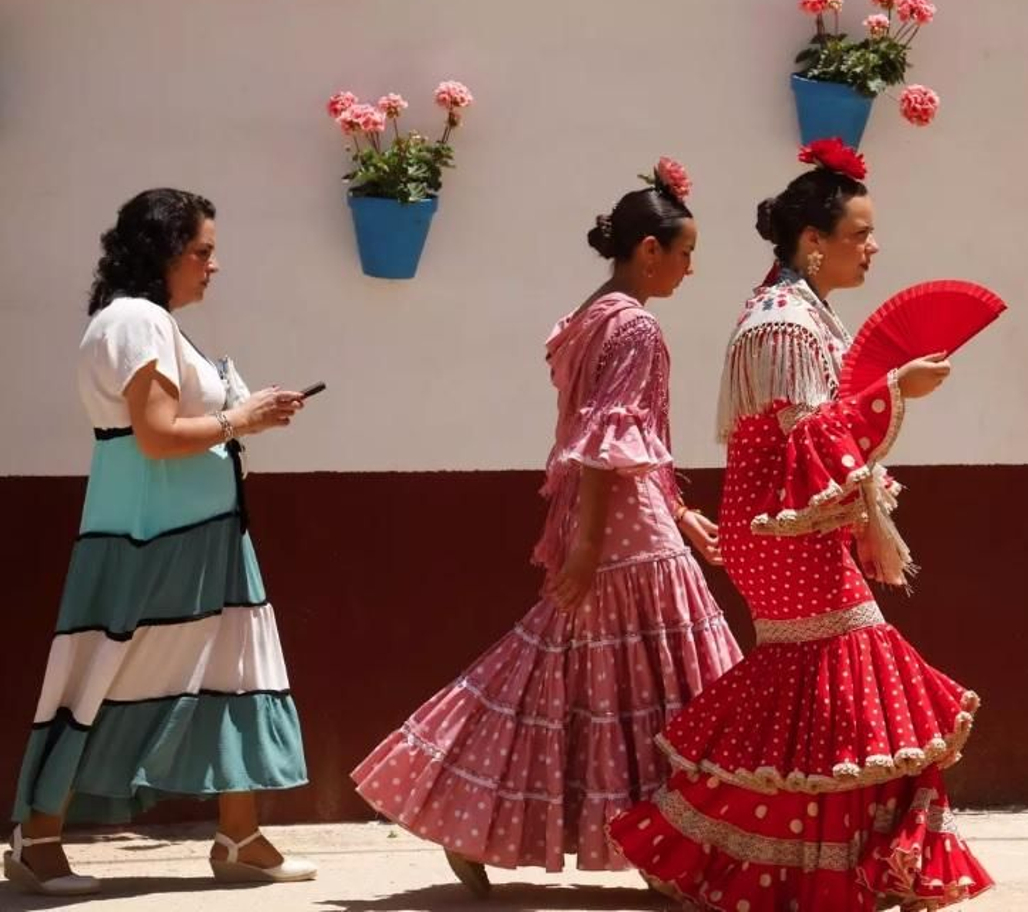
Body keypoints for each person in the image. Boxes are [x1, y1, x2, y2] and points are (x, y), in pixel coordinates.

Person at [609, 141, 994, 910]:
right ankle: (774, 854)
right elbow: (813, 440)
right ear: (812, 243)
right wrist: (896, 384)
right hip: (782, 538)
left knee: (823, 690)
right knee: (845, 679)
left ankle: (805, 858)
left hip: (792, 534)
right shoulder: (784, 321)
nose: (873, 247)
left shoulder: (801, 312)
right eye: (859, 234)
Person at [351, 158, 742, 895]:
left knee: (569, 677)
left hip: (615, 523)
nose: (691, 270)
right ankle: (673, 850)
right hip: (624, 535)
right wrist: (597, 544)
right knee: (686, 687)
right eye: (685, 253)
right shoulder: (637, 331)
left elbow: (614, 439)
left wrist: (680, 512)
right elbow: (605, 442)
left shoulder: (587, 320)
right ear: (649, 251)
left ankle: (461, 810)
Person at [6, 188, 315, 897]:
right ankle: (38, 836)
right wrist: (245, 418)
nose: (214, 265)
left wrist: (245, 414)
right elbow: (157, 434)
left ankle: (240, 835)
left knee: (236, 669)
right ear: (164, 252)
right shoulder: (138, 321)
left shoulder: (144, 323)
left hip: (199, 535)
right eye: (202, 251)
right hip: (155, 537)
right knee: (108, 674)